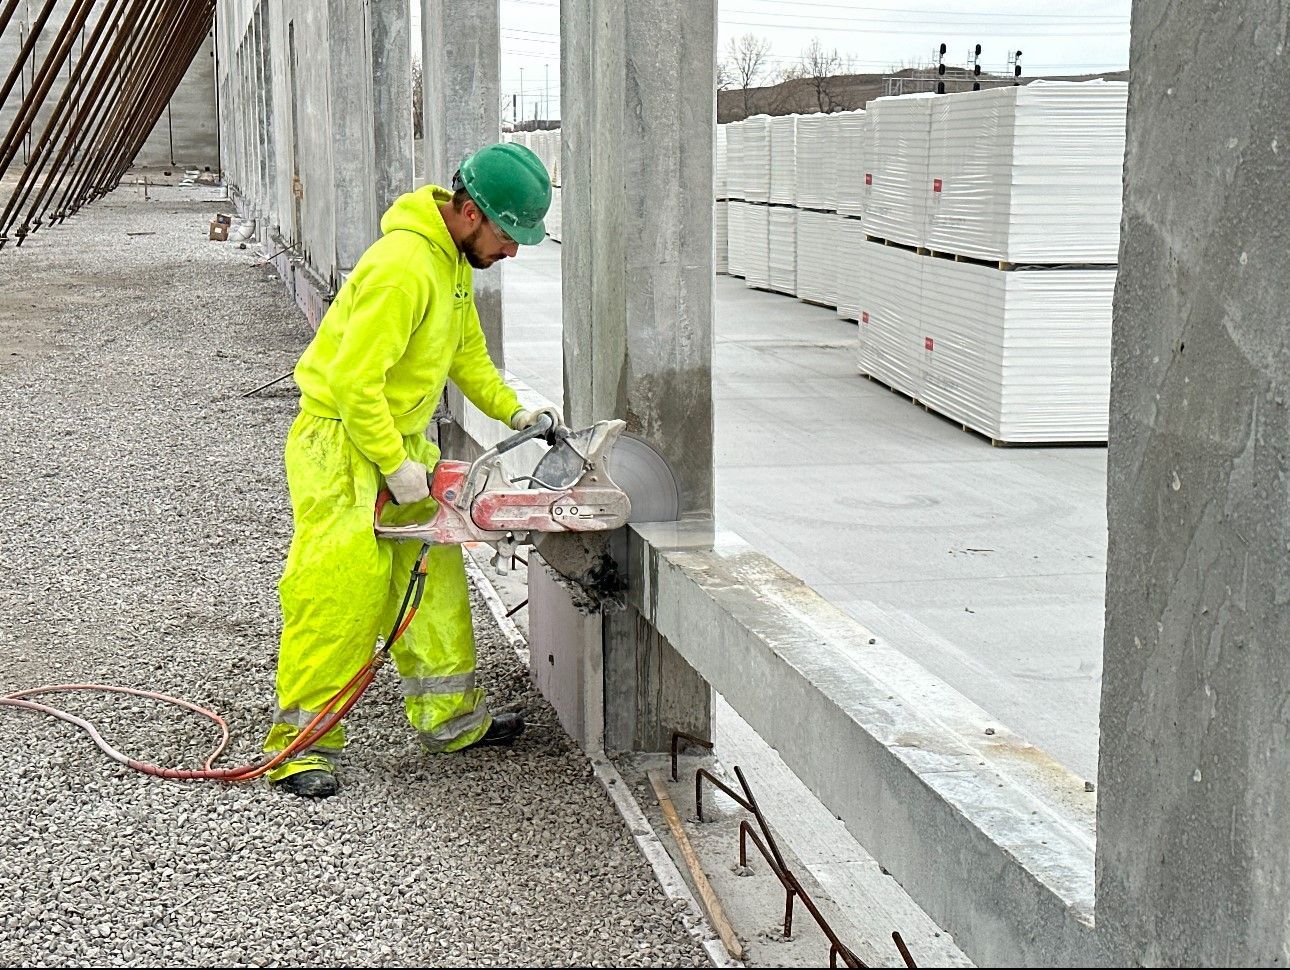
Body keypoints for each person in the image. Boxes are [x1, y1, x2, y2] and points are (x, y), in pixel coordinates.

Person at [263, 142, 560, 798]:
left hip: (397, 445)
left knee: (434, 576)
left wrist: (520, 413)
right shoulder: (404, 267)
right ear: (468, 211)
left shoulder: (451, 265)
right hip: (342, 445)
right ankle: (301, 745)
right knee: (343, 590)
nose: (512, 252)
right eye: (509, 236)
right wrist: (396, 468)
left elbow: (469, 358)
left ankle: (448, 716)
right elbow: (351, 381)